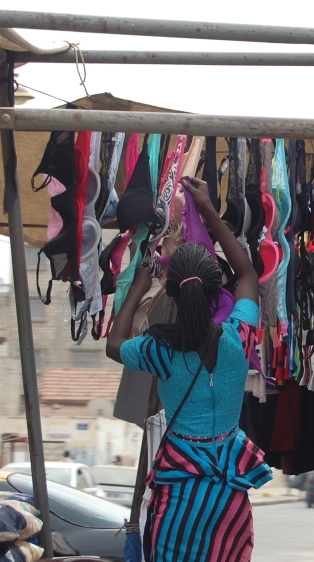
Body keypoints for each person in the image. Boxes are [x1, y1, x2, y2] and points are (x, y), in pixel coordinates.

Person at [107, 176, 273, 562]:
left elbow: (114, 345)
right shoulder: (240, 338)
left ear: (173, 293)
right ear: (218, 292)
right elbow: (248, 274)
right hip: (227, 492)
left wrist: (139, 284)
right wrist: (208, 210)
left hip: (179, 489)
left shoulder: (161, 351)